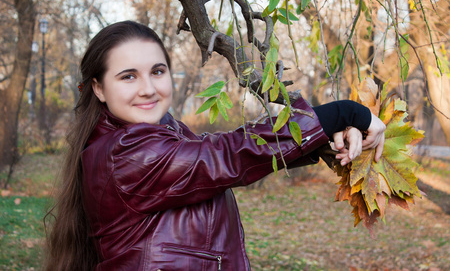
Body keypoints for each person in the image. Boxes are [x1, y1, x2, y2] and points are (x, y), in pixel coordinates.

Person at [44, 20, 386, 271]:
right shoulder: (126, 154)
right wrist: (344, 112)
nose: (148, 88)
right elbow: (226, 155)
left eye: (158, 71)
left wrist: (326, 134)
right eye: (128, 76)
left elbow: (212, 155)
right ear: (99, 89)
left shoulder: (160, 134)